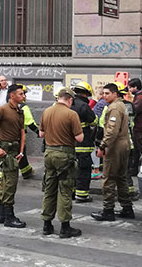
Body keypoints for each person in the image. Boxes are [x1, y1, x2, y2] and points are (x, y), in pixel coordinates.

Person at [39, 88, 84, 238]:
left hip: (49, 153)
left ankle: (47, 224)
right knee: (65, 190)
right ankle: (65, 227)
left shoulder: (47, 111)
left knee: (49, 189)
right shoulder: (71, 114)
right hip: (64, 156)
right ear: (70, 100)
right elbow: (79, 138)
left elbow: (41, 134)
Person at [0, 84, 28, 228]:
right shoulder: (2, 109)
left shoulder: (20, 111)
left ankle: (2, 215)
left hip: (15, 150)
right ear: (12, 96)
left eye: (24, 94)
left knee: (5, 181)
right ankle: (9, 217)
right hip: (6, 150)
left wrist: (21, 151)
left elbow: (22, 133)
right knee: (11, 182)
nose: (24, 96)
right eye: (21, 94)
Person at [91, 83, 134, 221]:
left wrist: (102, 146)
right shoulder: (121, 105)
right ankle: (127, 208)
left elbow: (111, 131)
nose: (104, 96)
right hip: (124, 144)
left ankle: (108, 210)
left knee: (109, 178)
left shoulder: (114, 107)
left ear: (115, 94)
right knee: (121, 177)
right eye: (103, 93)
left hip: (115, 146)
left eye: (107, 93)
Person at [0, 75, 33, 179]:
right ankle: (1, 174)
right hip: (6, 131)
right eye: (21, 94)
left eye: (5, 80)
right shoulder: (2, 104)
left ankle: (26, 172)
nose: (24, 96)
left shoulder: (20, 108)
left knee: (20, 153)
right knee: (10, 154)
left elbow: (25, 127)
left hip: (14, 133)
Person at [70, 81, 97, 204]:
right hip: (83, 144)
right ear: (86, 94)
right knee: (84, 169)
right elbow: (93, 121)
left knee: (71, 169)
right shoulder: (84, 106)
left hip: (69, 144)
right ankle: (82, 194)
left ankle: (72, 192)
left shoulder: (68, 104)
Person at [127, 78, 142, 175]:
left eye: (130, 87)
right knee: (137, 148)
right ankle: (135, 169)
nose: (129, 90)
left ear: (135, 87)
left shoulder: (141, 97)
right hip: (140, 126)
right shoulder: (140, 96)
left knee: (141, 148)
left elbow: (134, 110)